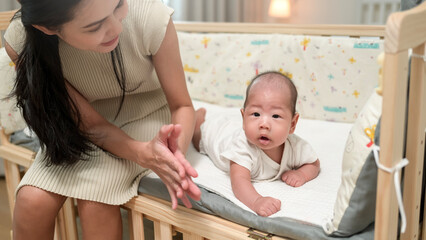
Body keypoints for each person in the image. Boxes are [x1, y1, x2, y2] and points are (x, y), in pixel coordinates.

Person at [4, 0, 201, 239]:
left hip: (147, 115)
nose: (117, 28)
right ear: (47, 28)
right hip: (80, 126)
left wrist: (170, 159)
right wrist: (141, 153)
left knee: (95, 202)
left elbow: (182, 105)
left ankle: (202, 122)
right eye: (94, 26)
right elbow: (91, 125)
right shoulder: (22, 39)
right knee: (30, 201)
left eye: (119, 4)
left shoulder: (150, 14)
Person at [192, 71, 320, 217]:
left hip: (233, 129)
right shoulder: (242, 148)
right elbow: (239, 181)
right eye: (256, 114)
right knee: (197, 139)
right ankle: (198, 118)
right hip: (217, 134)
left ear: (292, 124)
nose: (264, 124)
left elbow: (314, 163)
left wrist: (301, 174)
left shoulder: (295, 146)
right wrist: (257, 201)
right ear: (244, 117)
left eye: (276, 116)